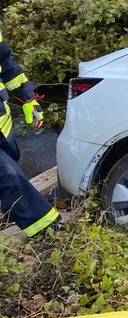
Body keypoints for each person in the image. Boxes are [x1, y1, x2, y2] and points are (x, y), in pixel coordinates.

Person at [0, 29, 59, 237]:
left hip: (3, 125)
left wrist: (27, 98)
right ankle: (48, 231)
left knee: (11, 168)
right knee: (9, 176)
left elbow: (6, 64)